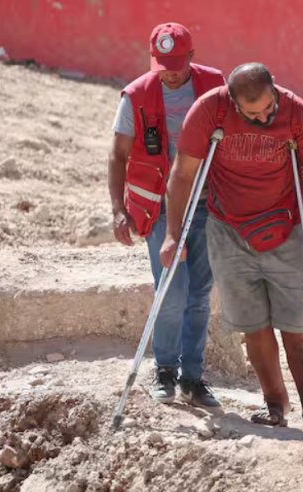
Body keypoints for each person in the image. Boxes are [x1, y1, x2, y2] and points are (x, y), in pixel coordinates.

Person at [161, 62, 303, 435]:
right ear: (234, 101)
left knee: (299, 327)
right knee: (254, 326)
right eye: (252, 112)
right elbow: (182, 174)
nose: (263, 117)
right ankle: (275, 404)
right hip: (228, 231)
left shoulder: (296, 113)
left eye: (267, 108)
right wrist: (172, 234)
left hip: (284, 229)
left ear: (274, 90)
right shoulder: (211, 110)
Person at [107, 22, 225, 407]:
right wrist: (118, 210)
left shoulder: (214, 86)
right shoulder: (136, 95)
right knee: (171, 290)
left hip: (206, 203)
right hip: (158, 207)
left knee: (199, 292)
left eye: (177, 63)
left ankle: (193, 376)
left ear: (191, 56)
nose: (171, 72)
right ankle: (165, 371)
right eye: (163, 64)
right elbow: (118, 155)